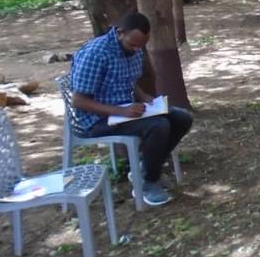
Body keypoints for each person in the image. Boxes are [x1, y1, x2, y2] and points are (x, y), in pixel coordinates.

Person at [69, 12, 193, 206]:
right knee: (158, 126)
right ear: (120, 33)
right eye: (132, 45)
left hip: (125, 111)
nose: (136, 50)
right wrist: (121, 111)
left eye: (140, 46)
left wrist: (146, 98)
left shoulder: (133, 48)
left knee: (182, 118)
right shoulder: (96, 53)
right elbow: (79, 101)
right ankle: (147, 182)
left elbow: (129, 81)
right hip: (96, 120)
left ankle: (145, 169)